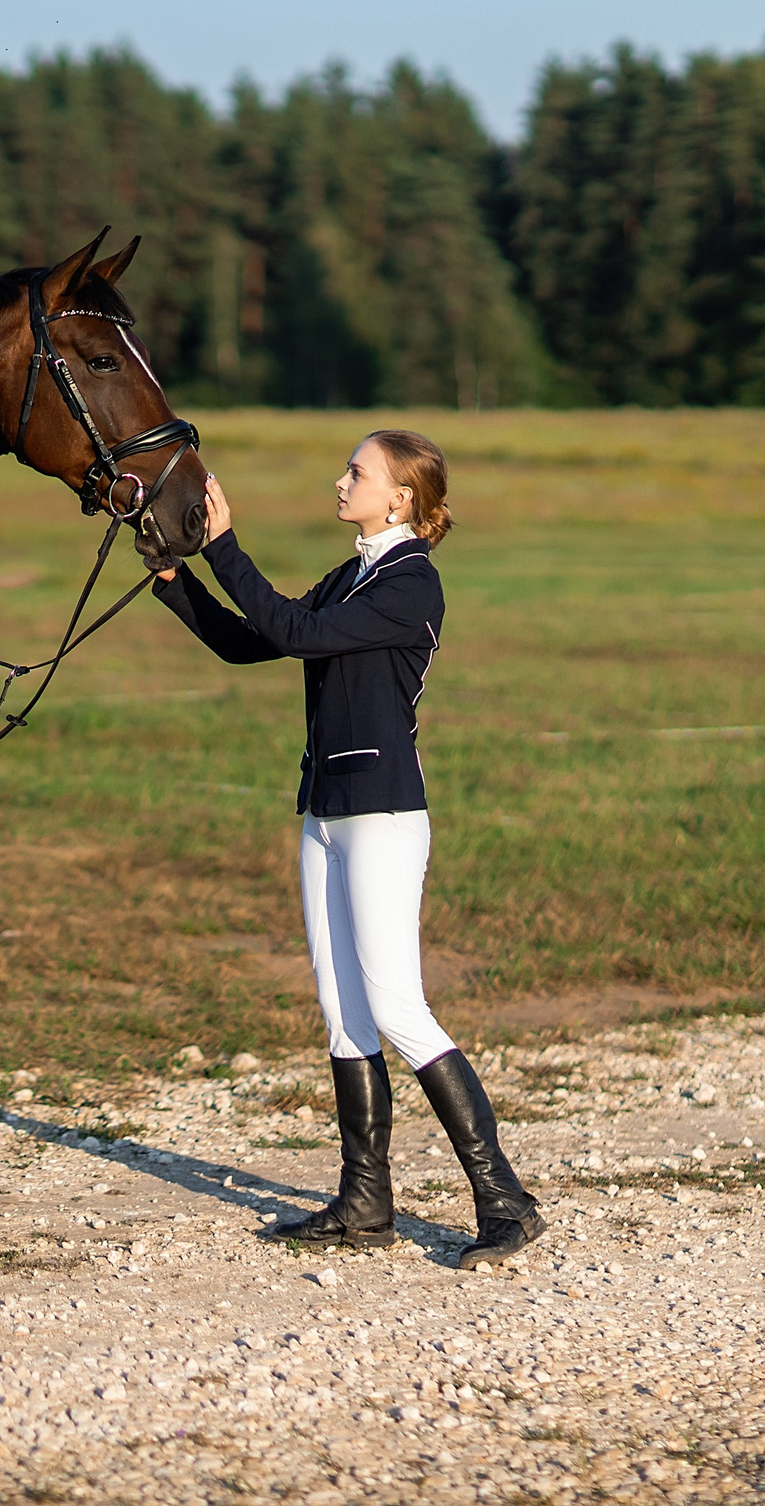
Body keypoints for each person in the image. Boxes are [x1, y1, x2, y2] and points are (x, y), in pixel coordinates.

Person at [152, 430, 541, 1270]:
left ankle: (505, 1200)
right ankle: (365, 1202)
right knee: (343, 1012)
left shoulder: (411, 582)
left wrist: (223, 544)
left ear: (400, 497)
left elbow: (293, 629)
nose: (340, 480)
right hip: (325, 809)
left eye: (357, 472)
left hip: (384, 815)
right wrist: (177, 582)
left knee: (398, 1009)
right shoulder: (352, 574)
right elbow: (252, 638)